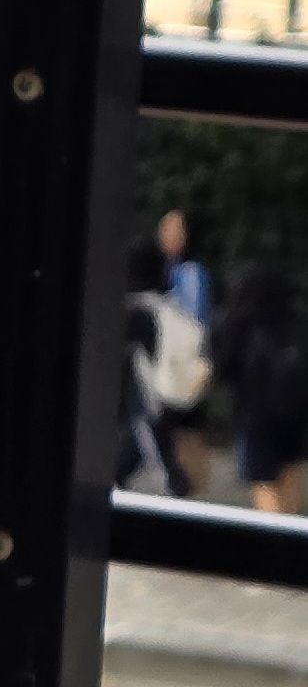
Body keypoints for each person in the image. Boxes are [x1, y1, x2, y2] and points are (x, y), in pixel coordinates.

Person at [212, 262, 308, 516]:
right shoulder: (297, 324)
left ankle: (274, 537)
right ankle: (292, 532)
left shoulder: (241, 323)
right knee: (290, 476)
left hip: (254, 418)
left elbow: (223, 367)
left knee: (263, 484)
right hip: (296, 418)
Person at [155, 207, 215, 494]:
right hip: (169, 362)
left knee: (180, 424)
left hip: (181, 363)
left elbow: (194, 323)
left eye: (173, 230)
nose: (164, 235)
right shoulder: (167, 269)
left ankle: (188, 488)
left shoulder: (190, 273)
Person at [118, 236, 180, 494]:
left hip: (142, 393)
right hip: (162, 390)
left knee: (146, 438)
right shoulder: (165, 306)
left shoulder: (133, 310)